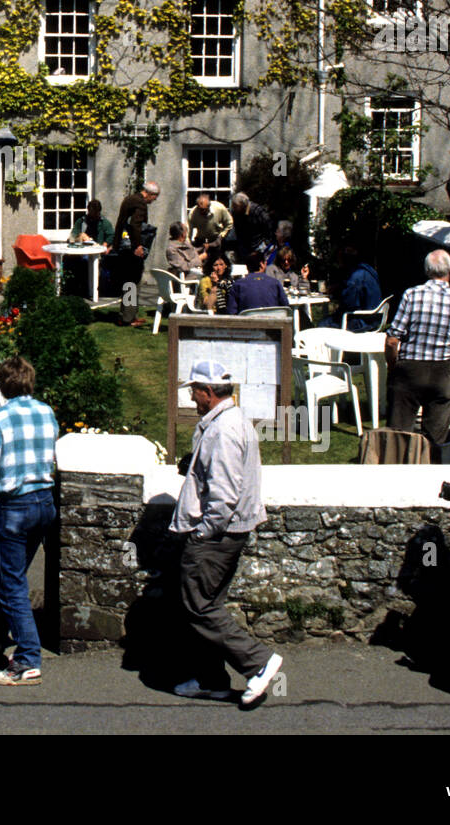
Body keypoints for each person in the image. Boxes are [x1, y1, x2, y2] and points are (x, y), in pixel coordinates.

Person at [170, 359, 283, 706]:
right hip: (228, 533)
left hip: (216, 537)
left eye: (195, 392)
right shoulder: (231, 422)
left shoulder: (223, 431)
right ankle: (211, 679)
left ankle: (258, 662)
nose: (192, 398)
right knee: (208, 604)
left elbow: (224, 495)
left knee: (198, 607)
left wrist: (203, 533)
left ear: (208, 392)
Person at [0, 356, 59, 686]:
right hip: (44, 503)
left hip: (13, 505)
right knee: (16, 576)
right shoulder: (47, 413)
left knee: (12, 584)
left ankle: (27, 659)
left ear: (3, 384)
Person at [384, 250, 450, 447]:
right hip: (443, 371)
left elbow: (392, 341)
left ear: (427, 270)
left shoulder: (412, 295)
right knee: (435, 439)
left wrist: (394, 367)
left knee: (398, 436)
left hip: (410, 369)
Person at [113, 180, 160, 327]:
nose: (155, 199)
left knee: (128, 282)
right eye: (155, 196)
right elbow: (135, 225)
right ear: (149, 194)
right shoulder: (140, 203)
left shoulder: (129, 199)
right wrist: (138, 245)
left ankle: (127, 315)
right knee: (133, 281)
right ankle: (128, 318)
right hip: (132, 249)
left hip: (122, 247)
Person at [320, 245, 382, 329]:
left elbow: (348, 303)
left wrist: (338, 295)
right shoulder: (369, 271)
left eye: (339, 259)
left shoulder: (355, 277)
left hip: (362, 322)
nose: (338, 263)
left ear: (345, 259)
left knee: (323, 323)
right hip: (374, 319)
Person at [227, 250, 289, 315]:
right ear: (262, 264)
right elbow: (285, 308)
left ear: (247, 267)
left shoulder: (238, 285)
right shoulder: (275, 283)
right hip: (272, 323)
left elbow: (231, 312)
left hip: (248, 324)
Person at [228, 192, 274, 265]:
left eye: (236, 206)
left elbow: (269, 229)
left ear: (243, 205)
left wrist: (263, 247)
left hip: (259, 246)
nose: (234, 208)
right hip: (244, 247)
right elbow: (237, 230)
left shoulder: (258, 211)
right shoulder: (236, 213)